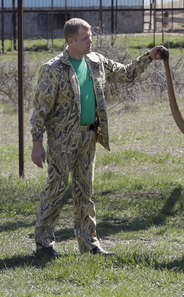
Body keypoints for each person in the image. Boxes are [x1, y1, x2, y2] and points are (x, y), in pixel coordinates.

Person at [31, 18, 166, 258]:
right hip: (62, 142)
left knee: (85, 192)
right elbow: (40, 109)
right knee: (55, 189)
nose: (90, 41)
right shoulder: (53, 69)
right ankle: (44, 244)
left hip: (89, 137)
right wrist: (36, 143)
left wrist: (149, 56)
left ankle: (89, 244)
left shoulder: (96, 62)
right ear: (70, 41)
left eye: (91, 36)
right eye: (85, 38)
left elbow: (125, 74)